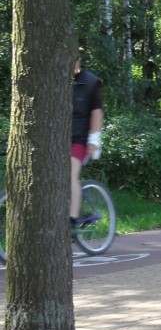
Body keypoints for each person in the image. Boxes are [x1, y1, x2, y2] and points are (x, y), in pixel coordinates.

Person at [71, 56, 104, 226]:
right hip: (61, 140)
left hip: (80, 140)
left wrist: (93, 140)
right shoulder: (56, 81)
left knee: (70, 173)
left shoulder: (90, 82)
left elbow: (97, 112)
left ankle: (73, 220)